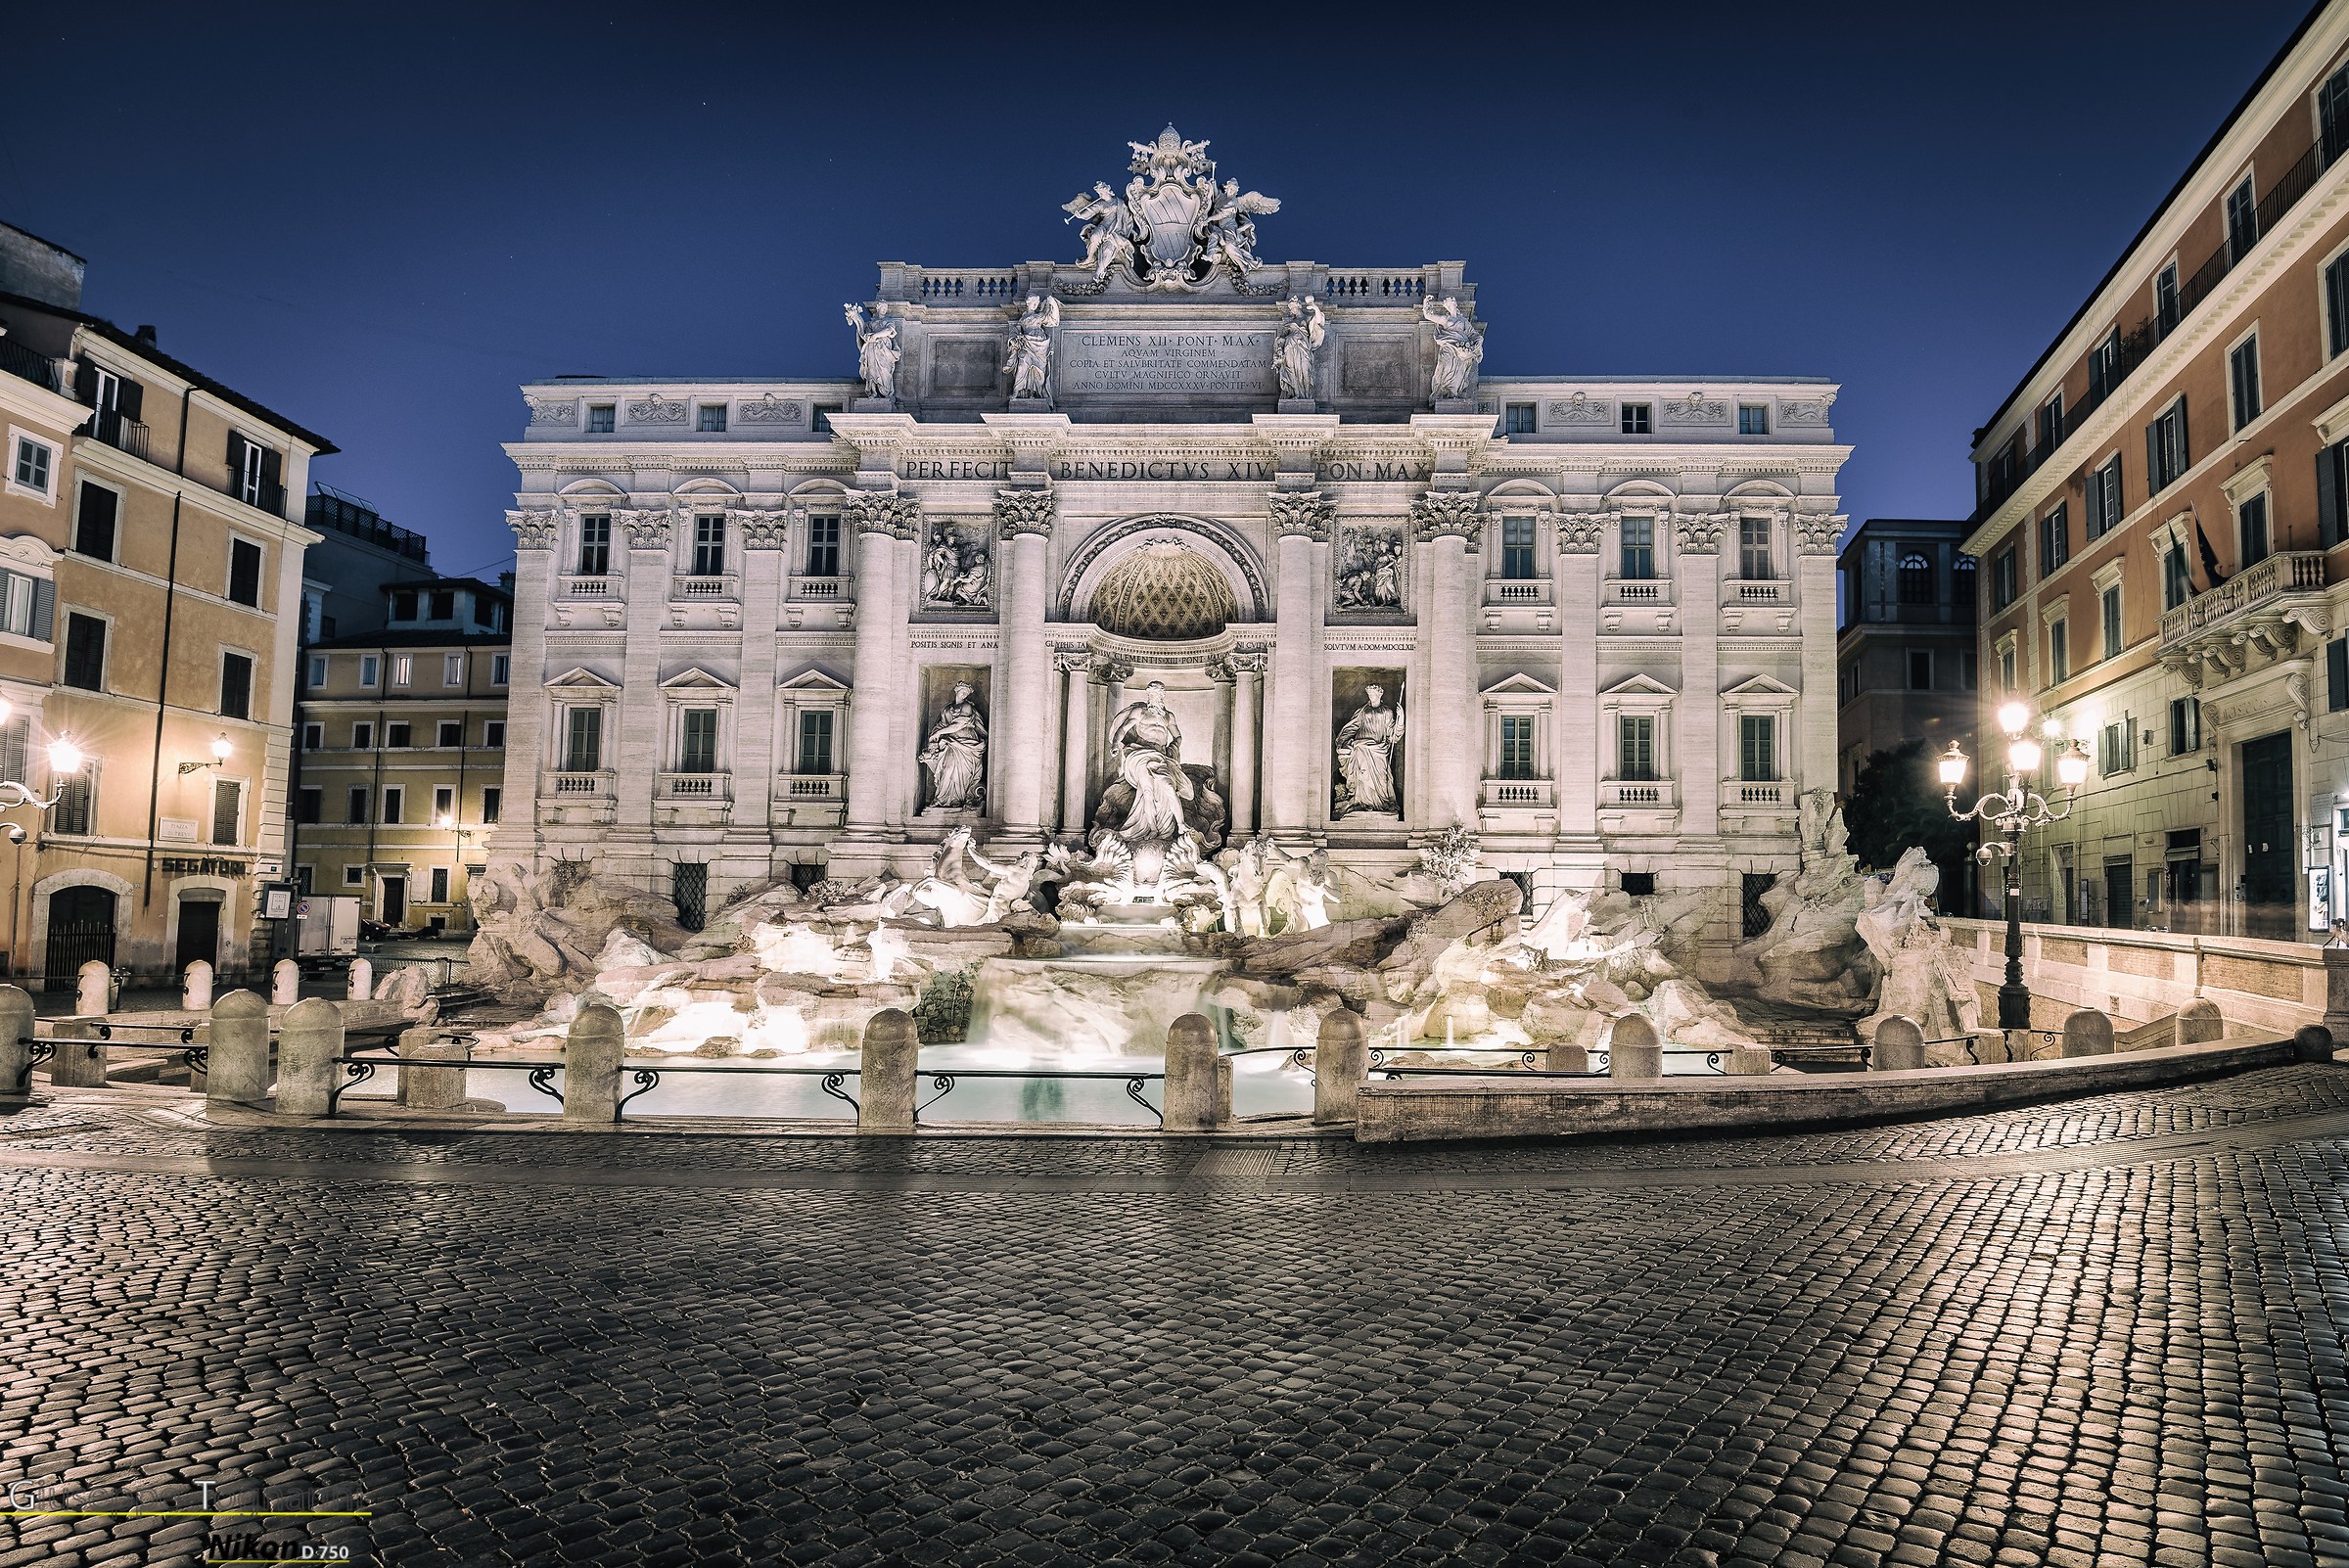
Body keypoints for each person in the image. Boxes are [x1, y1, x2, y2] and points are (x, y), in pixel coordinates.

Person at [1104, 681, 1191, 845]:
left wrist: (1173, 748)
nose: (1155, 697)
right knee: (1147, 792)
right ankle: (1152, 828)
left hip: (1160, 757)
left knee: (1169, 787)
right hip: (1141, 754)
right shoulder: (1140, 712)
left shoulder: (1168, 716)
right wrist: (1115, 743)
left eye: (1158, 694)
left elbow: (1178, 736)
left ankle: (1181, 824)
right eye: (1152, 694)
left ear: (1163, 696)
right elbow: (1123, 729)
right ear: (1148, 695)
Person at [1333, 684, 1403, 815]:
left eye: (1373, 694)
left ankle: (1380, 803)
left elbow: (1393, 735)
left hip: (1379, 749)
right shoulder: (1363, 711)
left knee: (1382, 777)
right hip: (1361, 747)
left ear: (1379, 695)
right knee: (1362, 774)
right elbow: (1352, 727)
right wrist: (1342, 741)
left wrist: (1401, 718)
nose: (1371, 697)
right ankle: (1362, 802)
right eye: (1369, 695)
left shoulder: (1387, 712)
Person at [919, 681, 988, 809]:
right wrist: (934, 735)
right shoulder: (947, 708)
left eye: (966, 693)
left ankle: (958, 799)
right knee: (948, 769)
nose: (964, 694)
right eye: (962, 691)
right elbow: (941, 724)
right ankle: (942, 799)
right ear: (956, 691)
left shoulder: (967, 706)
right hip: (950, 743)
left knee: (961, 772)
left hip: (966, 744)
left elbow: (959, 725)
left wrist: (939, 733)